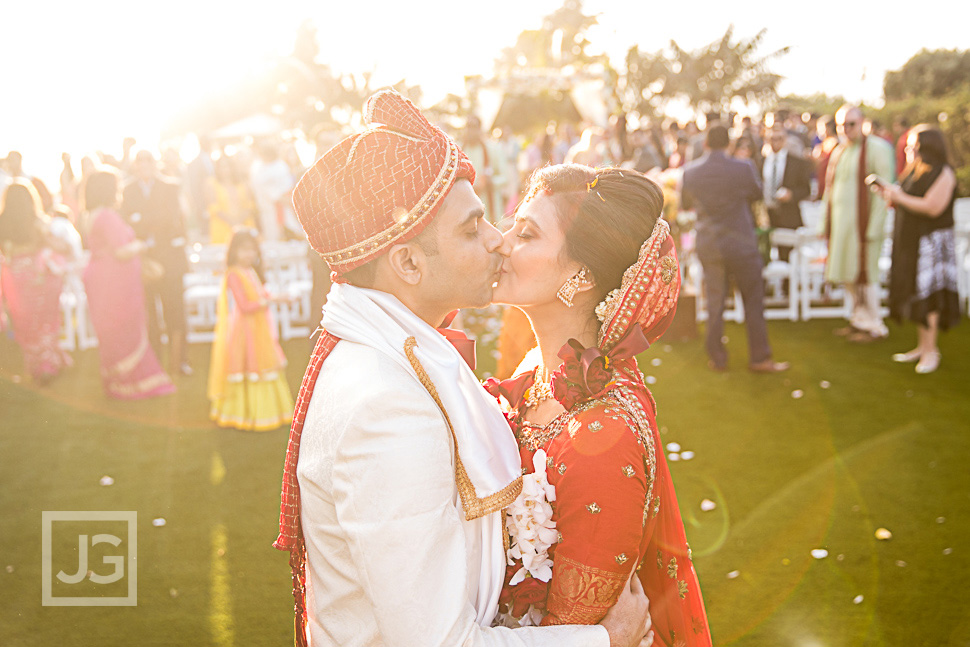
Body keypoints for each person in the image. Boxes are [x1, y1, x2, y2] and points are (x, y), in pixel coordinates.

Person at [274, 90, 651, 647]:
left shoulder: (399, 357)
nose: (498, 239)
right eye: (473, 229)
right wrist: (601, 642)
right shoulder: (387, 404)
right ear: (406, 262)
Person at [488, 165, 711, 645]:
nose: (501, 242)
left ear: (581, 275)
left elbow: (575, 632)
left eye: (525, 234)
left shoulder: (603, 434)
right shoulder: (535, 375)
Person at [682, 125, 790, 373]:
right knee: (753, 300)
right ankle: (760, 357)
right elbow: (757, 195)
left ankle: (717, 358)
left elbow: (686, 203)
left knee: (715, 302)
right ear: (728, 144)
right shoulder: (743, 167)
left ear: (706, 144)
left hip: (710, 244)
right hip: (741, 243)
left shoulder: (691, 172)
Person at [82, 169, 175, 399]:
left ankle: (115, 380)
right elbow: (121, 251)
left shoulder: (89, 215)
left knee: (110, 330)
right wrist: (142, 245)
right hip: (114, 282)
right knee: (125, 327)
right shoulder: (106, 215)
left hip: (100, 277)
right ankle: (134, 381)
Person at [877, 125, 960, 374]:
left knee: (930, 296)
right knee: (915, 292)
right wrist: (890, 195)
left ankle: (931, 350)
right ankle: (921, 347)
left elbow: (933, 207)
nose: (909, 149)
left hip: (932, 244)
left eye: (914, 145)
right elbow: (907, 199)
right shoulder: (914, 170)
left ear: (929, 146)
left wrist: (899, 198)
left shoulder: (944, 173)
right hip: (911, 239)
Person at [207, 228, 294, 429]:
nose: (249, 255)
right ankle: (244, 413)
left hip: (259, 327)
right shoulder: (233, 274)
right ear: (234, 251)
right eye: (244, 250)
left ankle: (267, 411)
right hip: (245, 331)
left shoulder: (251, 271)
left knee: (263, 363)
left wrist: (276, 298)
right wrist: (272, 300)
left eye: (253, 250)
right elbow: (245, 306)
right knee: (249, 365)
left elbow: (261, 296)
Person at [823, 105, 895, 343]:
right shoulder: (839, 150)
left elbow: (883, 190)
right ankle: (858, 320)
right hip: (841, 225)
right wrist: (824, 225)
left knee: (866, 275)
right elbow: (829, 189)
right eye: (841, 125)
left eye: (851, 124)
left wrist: (875, 226)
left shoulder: (877, 148)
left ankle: (875, 325)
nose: (846, 129)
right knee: (848, 274)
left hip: (864, 227)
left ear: (862, 122)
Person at [121, 149, 192, 374]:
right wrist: (146, 221)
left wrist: (142, 219)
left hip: (170, 260)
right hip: (145, 263)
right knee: (150, 315)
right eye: (139, 161)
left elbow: (172, 219)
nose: (144, 164)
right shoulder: (128, 190)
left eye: (148, 160)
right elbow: (126, 223)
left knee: (175, 312)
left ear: (155, 162)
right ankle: (155, 363)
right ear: (134, 165)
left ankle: (180, 360)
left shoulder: (171, 186)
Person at [0, 180, 72, 384]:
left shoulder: (2, 223)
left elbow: (5, 253)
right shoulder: (38, 222)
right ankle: (48, 363)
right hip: (41, 276)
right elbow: (59, 246)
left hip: (15, 278)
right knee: (47, 320)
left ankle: (36, 365)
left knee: (25, 324)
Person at [762, 124, 813, 261]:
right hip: (766, 215)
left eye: (779, 138)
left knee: (787, 256)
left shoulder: (796, 162)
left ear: (785, 140)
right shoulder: (761, 161)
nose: (775, 142)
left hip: (787, 215)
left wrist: (791, 195)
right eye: (772, 139)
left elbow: (806, 189)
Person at [206, 155, 256, 245]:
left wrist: (239, 222)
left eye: (228, 166)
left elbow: (250, 205)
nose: (226, 170)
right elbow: (214, 208)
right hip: (222, 226)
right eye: (222, 167)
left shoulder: (242, 183)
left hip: (245, 224)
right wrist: (232, 223)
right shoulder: (212, 184)